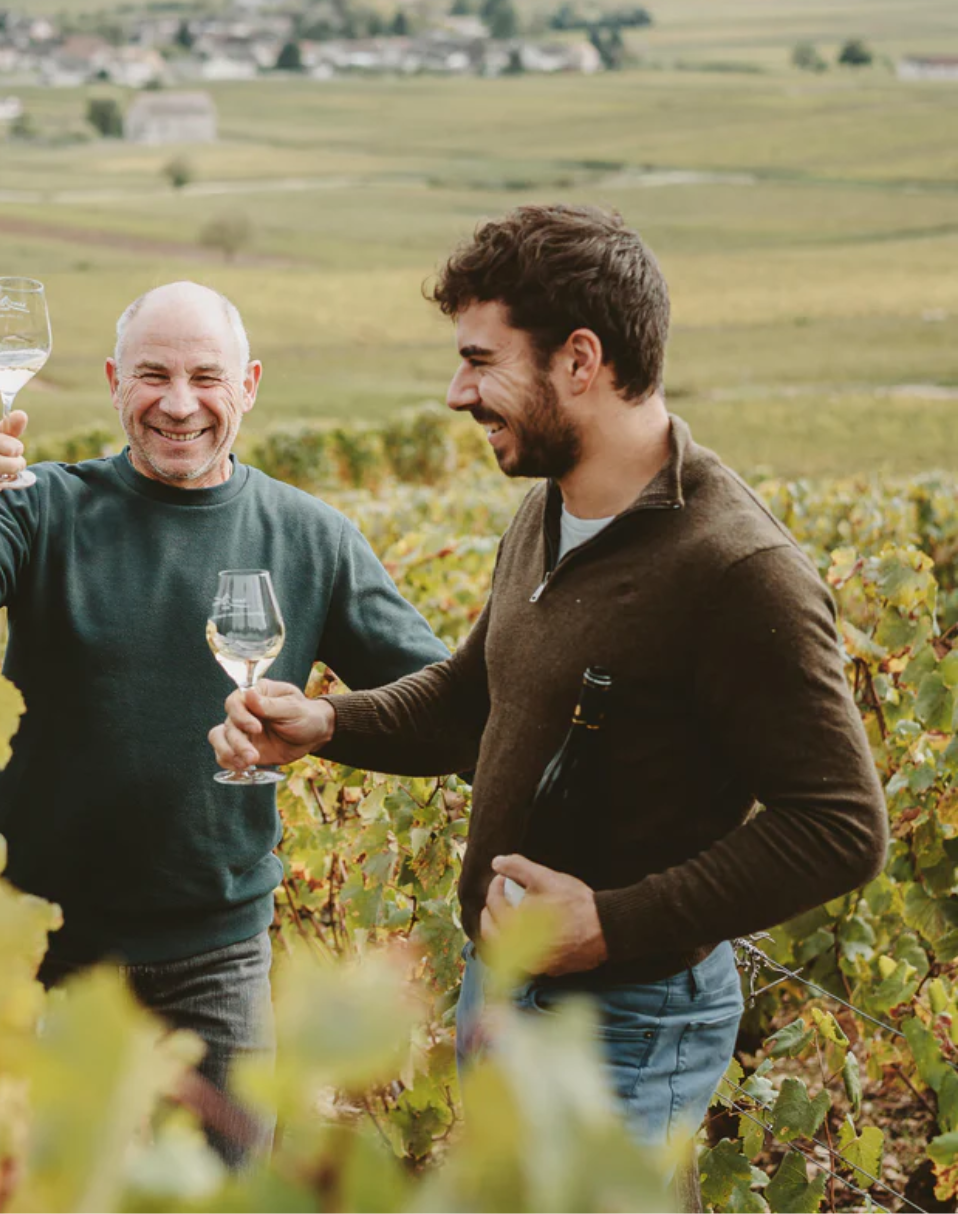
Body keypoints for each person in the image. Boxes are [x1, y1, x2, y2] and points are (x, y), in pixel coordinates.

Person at [209, 204, 889, 1164]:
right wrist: (325, 721)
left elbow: (840, 826)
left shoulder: (736, 571)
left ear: (579, 360)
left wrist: (609, 924)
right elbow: (471, 704)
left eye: (480, 361)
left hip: (622, 1022)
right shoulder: (548, 511)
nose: (456, 393)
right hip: (506, 990)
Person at [0, 280, 449, 1163]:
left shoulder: (311, 538)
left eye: (205, 377)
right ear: (115, 383)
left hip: (216, 961)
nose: (179, 404)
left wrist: (326, 720)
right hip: (44, 953)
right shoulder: (42, 507)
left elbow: (439, 709)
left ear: (247, 386)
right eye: (153, 375)